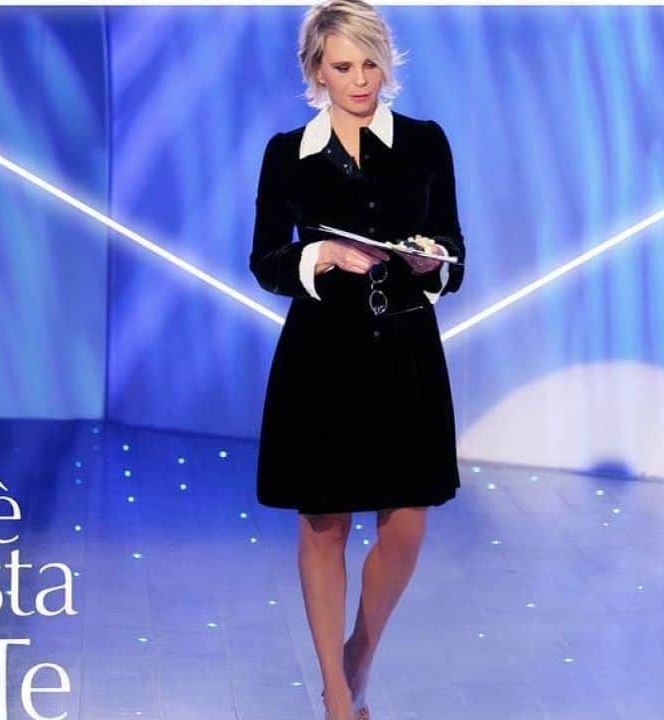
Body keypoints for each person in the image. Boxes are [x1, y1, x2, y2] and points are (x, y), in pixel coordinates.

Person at [248, 1, 466, 718]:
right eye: (344, 66)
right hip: (322, 353)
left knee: (407, 525)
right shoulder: (288, 152)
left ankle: (359, 657)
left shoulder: (426, 142)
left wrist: (431, 260)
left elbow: (454, 250)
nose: (361, 79)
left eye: (371, 63)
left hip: (405, 351)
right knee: (324, 523)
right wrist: (322, 254)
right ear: (317, 70)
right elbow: (265, 259)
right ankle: (339, 699)